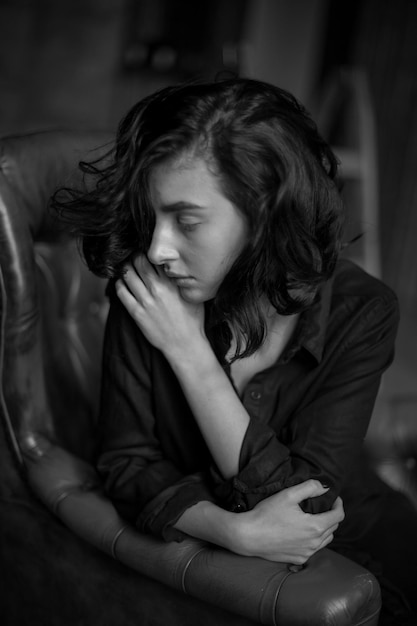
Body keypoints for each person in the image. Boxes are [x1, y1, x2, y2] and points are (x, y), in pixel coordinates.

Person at [53, 78, 416, 624]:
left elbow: (310, 506)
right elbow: (125, 464)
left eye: (188, 221)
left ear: (265, 217)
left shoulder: (364, 312)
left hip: (366, 545)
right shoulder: (147, 291)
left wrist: (191, 355)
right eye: (154, 217)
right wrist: (231, 530)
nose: (158, 248)